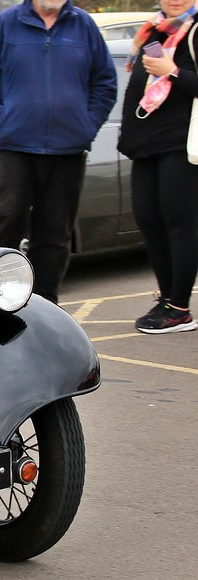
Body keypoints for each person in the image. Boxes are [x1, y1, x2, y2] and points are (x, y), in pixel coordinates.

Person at [0, 0, 117, 304]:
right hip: (15, 148)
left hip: (68, 151)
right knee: (7, 221)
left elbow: (105, 82)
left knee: (54, 235)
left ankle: (45, 306)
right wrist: (3, 118)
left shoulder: (83, 25)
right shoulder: (6, 24)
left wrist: (86, 126)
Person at [117, 0, 198, 334]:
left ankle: (178, 308)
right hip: (145, 145)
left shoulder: (193, 31)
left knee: (180, 224)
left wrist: (173, 72)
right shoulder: (151, 30)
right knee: (149, 220)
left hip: (181, 144)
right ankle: (167, 299)